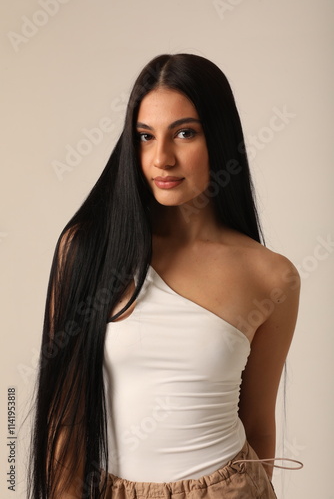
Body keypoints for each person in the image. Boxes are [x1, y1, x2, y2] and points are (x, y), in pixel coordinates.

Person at [28, 53, 302, 499]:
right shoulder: (87, 250)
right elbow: (65, 417)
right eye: (144, 136)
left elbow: (257, 426)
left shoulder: (272, 276)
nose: (161, 158)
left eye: (185, 133)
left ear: (220, 136)